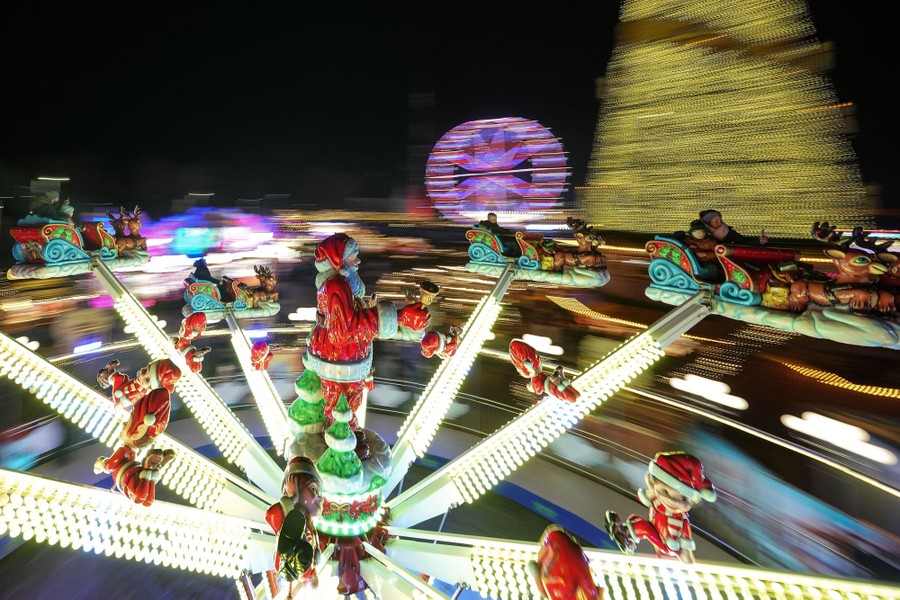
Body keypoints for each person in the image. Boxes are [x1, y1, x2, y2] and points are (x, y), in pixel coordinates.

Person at [305, 233, 430, 439]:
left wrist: (399, 320)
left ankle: (345, 437)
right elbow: (343, 332)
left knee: (343, 403)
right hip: (339, 359)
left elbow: (351, 324)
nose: (358, 261)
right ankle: (341, 446)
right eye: (353, 256)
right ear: (338, 260)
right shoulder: (337, 286)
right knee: (342, 404)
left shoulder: (340, 285)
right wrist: (397, 318)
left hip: (340, 359)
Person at [605, 451, 716, 564]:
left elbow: (686, 539)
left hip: (668, 544)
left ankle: (625, 536)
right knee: (641, 524)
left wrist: (686, 555)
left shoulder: (682, 520)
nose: (673, 501)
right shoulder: (658, 502)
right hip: (657, 531)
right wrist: (651, 489)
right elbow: (645, 496)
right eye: (665, 491)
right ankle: (624, 533)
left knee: (644, 527)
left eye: (683, 499)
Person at [265, 456, 324, 586]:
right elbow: (272, 514)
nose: (320, 498)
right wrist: (291, 500)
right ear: (292, 488)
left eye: (320, 492)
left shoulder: (310, 522)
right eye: (314, 489)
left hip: (309, 573)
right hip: (293, 572)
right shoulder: (282, 513)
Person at [699, 210, 768, 246]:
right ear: (707, 224)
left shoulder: (730, 233)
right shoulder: (703, 237)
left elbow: (744, 242)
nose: (719, 223)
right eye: (716, 221)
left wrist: (759, 242)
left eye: (720, 220)